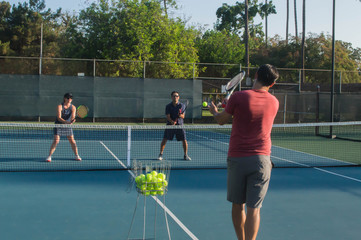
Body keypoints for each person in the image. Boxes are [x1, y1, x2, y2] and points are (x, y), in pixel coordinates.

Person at [208, 64, 279, 240]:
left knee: (237, 205)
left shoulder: (238, 97)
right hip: (262, 160)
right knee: (254, 209)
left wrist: (214, 111)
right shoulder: (274, 102)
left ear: (255, 75)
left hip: (238, 158)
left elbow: (221, 120)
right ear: (272, 84)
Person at [46, 92, 81, 162]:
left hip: (67, 126)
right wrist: (66, 122)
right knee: (56, 141)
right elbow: (59, 117)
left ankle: (77, 155)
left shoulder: (73, 107)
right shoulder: (60, 106)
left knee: (72, 141)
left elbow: (73, 116)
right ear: (65, 98)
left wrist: (72, 121)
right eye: (68, 98)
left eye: (71, 98)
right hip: (58, 125)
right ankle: (49, 156)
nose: (69, 99)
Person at [158, 91, 191, 161]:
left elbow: (183, 116)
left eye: (177, 96)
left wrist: (180, 115)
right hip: (170, 125)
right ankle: (160, 154)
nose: (175, 97)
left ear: (178, 97)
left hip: (180, 126)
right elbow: (168, 116)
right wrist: (172, 121)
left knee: (184, 140)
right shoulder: (168, 106)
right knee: (164, 139)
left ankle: (185, 155)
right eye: (174, 96)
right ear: (171, 97)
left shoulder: (182, 105)